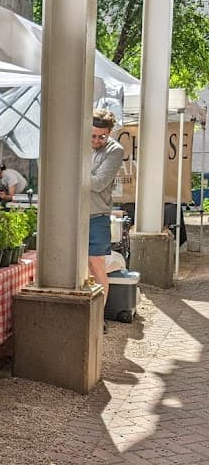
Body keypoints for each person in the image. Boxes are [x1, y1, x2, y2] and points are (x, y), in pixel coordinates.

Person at [89, 108, 125, 321]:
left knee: (96, 265)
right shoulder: (79, 143)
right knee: (77, 266)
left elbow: (99, 183)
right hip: (73, 215)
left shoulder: (115, 150)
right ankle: (84, 312)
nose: (97, 140)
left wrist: (74, 172)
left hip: (98, 215)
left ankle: (97, 318)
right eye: (93, 135)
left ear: (109, 133)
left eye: (102, 136)